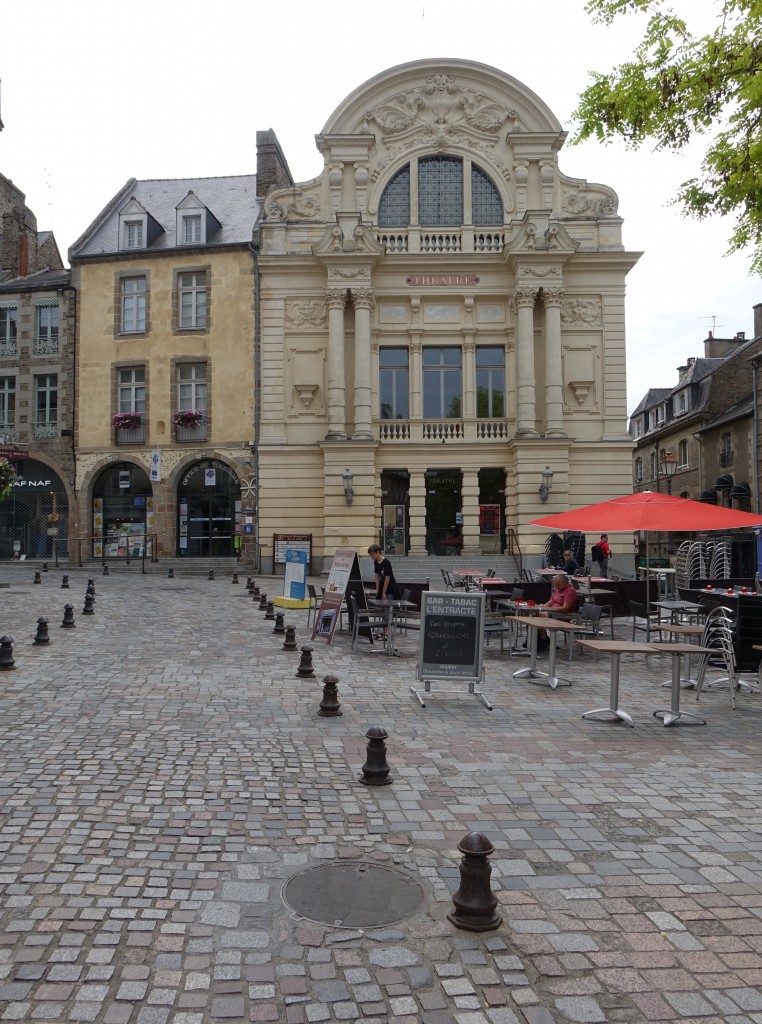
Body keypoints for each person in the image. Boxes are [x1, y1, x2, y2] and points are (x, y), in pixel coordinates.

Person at [535, 573, 579, 648]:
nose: (556, 587)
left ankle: (543, 639)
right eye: (555, 585)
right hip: (552, 611)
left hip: (561, 615)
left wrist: (550, 609)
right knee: (531, 613)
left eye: (558, 585)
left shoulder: (570, 591)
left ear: (565, 582)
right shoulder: (557, 590)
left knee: (537, 615)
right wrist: (541, 607)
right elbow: (550, 602)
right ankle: (539, 639)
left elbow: (565, 608)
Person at [368, 544, 399, 640]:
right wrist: (378, 590)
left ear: (378, 552)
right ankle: (384, 631)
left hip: (390, 589)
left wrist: (383, 592)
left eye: (372, 554)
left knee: (387, 610)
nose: (371, 557)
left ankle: (386, 633)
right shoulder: (376, 562)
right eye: (370, 555)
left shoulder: (386, 562)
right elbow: (377, 576)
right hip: (382, 588)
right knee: (382, 609)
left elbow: (387, 578)